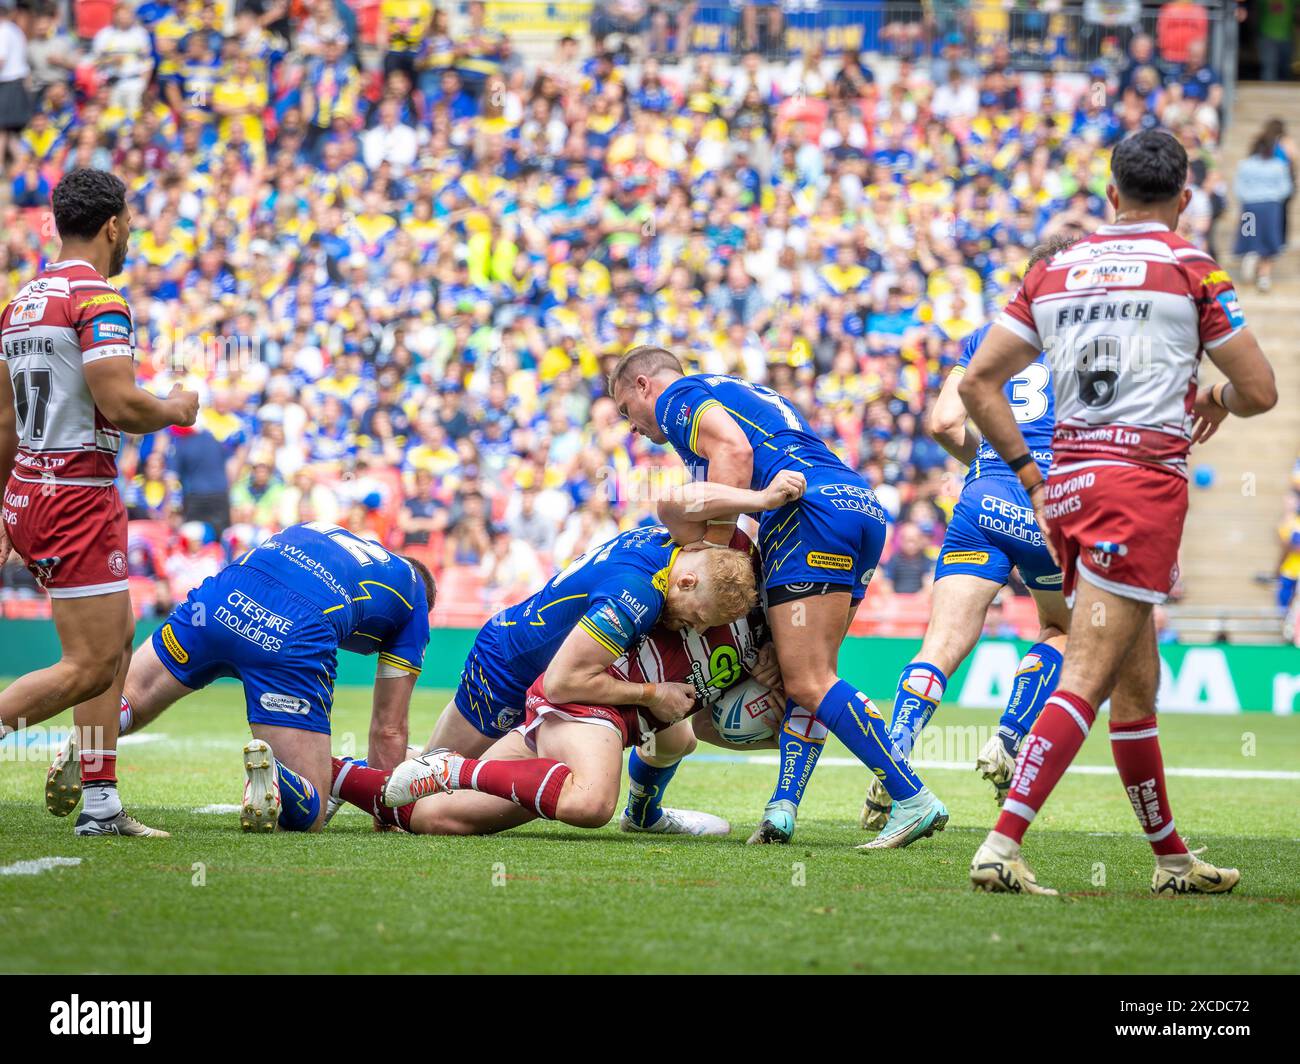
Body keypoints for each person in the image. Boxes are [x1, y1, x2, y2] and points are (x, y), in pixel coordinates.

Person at [960, 129, 1277, 896]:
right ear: (1185, 199)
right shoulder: (1191, 269)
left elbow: (977, 385)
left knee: (1136, 688)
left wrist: (1034, 479)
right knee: (1088, 676)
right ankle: (1001, 846)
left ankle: (1172, 859)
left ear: (1109, 194)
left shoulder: (1055, 270)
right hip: (1139, 487)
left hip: (1069, 486)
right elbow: (1261, 391)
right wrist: (1217, 398)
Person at [610, 348, 949, 849]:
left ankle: (911, 797)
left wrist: (716, 560)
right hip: (856, 506)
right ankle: (782, 809)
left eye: (625, 410)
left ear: (643, 385)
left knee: (809, 682)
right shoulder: (736, 389)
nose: (632, 427)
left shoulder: (676, 396)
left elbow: (736, 455)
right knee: (808, 681)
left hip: (805, 514)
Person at [0, 168, 198, 836]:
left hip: (32, 488)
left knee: (116, 647)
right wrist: (175, 407)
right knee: (89, 664)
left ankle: (102, 804)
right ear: (113, 224)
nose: (133, 232)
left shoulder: (23, 302)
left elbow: (4, 423)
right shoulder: (98, 299)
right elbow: (120, 402)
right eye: (132, 221)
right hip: (75, 492)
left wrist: (2, 506)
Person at [862, 236, 1077, 838]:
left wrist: (990, 460)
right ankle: (1008, 740)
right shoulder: (1092, 344)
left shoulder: (988, 337)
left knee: (940, 644)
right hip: (1047, 506)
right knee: (1062, 629)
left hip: (981, 499)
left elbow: (941, 422)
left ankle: (896, 757)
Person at [80, 521, 436, 835]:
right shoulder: (415, 597)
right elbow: (388, 727)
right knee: (311, 809)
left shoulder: (325, 531)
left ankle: (95, 740)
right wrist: (386, 812)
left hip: (221, 597)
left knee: (133, 696)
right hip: (293, 631)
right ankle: (282, 779)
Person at [1234, 132, 1293, 292]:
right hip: (1270, 208)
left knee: (1249, 236)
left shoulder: (1245, 164)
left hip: (1250, 207)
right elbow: (1286, 188)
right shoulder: (1279, 166)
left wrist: (1250, 197)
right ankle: (1264, 276)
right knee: (1268, 243)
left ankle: (1250, 256)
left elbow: (1239, 188)